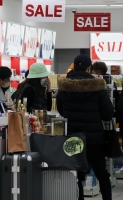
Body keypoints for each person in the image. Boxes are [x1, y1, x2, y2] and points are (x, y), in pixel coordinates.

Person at [57, 55, 114, 200]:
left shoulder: (64, 87)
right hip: (94, 138)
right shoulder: (98, 86)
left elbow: (61, 111)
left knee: (76, 174)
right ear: (90, 68)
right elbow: (108, 114)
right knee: (102, 173)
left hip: (73, 136)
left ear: (74, 66)